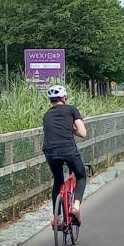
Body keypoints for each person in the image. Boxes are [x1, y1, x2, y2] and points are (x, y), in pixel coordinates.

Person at [42, 84, 88, 223]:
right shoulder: (71, 110)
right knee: (81, 176)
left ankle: (57, 217)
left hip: (49, 151)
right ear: (63, 98)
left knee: (58, 180)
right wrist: (72, 129)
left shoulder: (46, 115)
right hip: (68, 149)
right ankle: (75, 206)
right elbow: (83, 133)